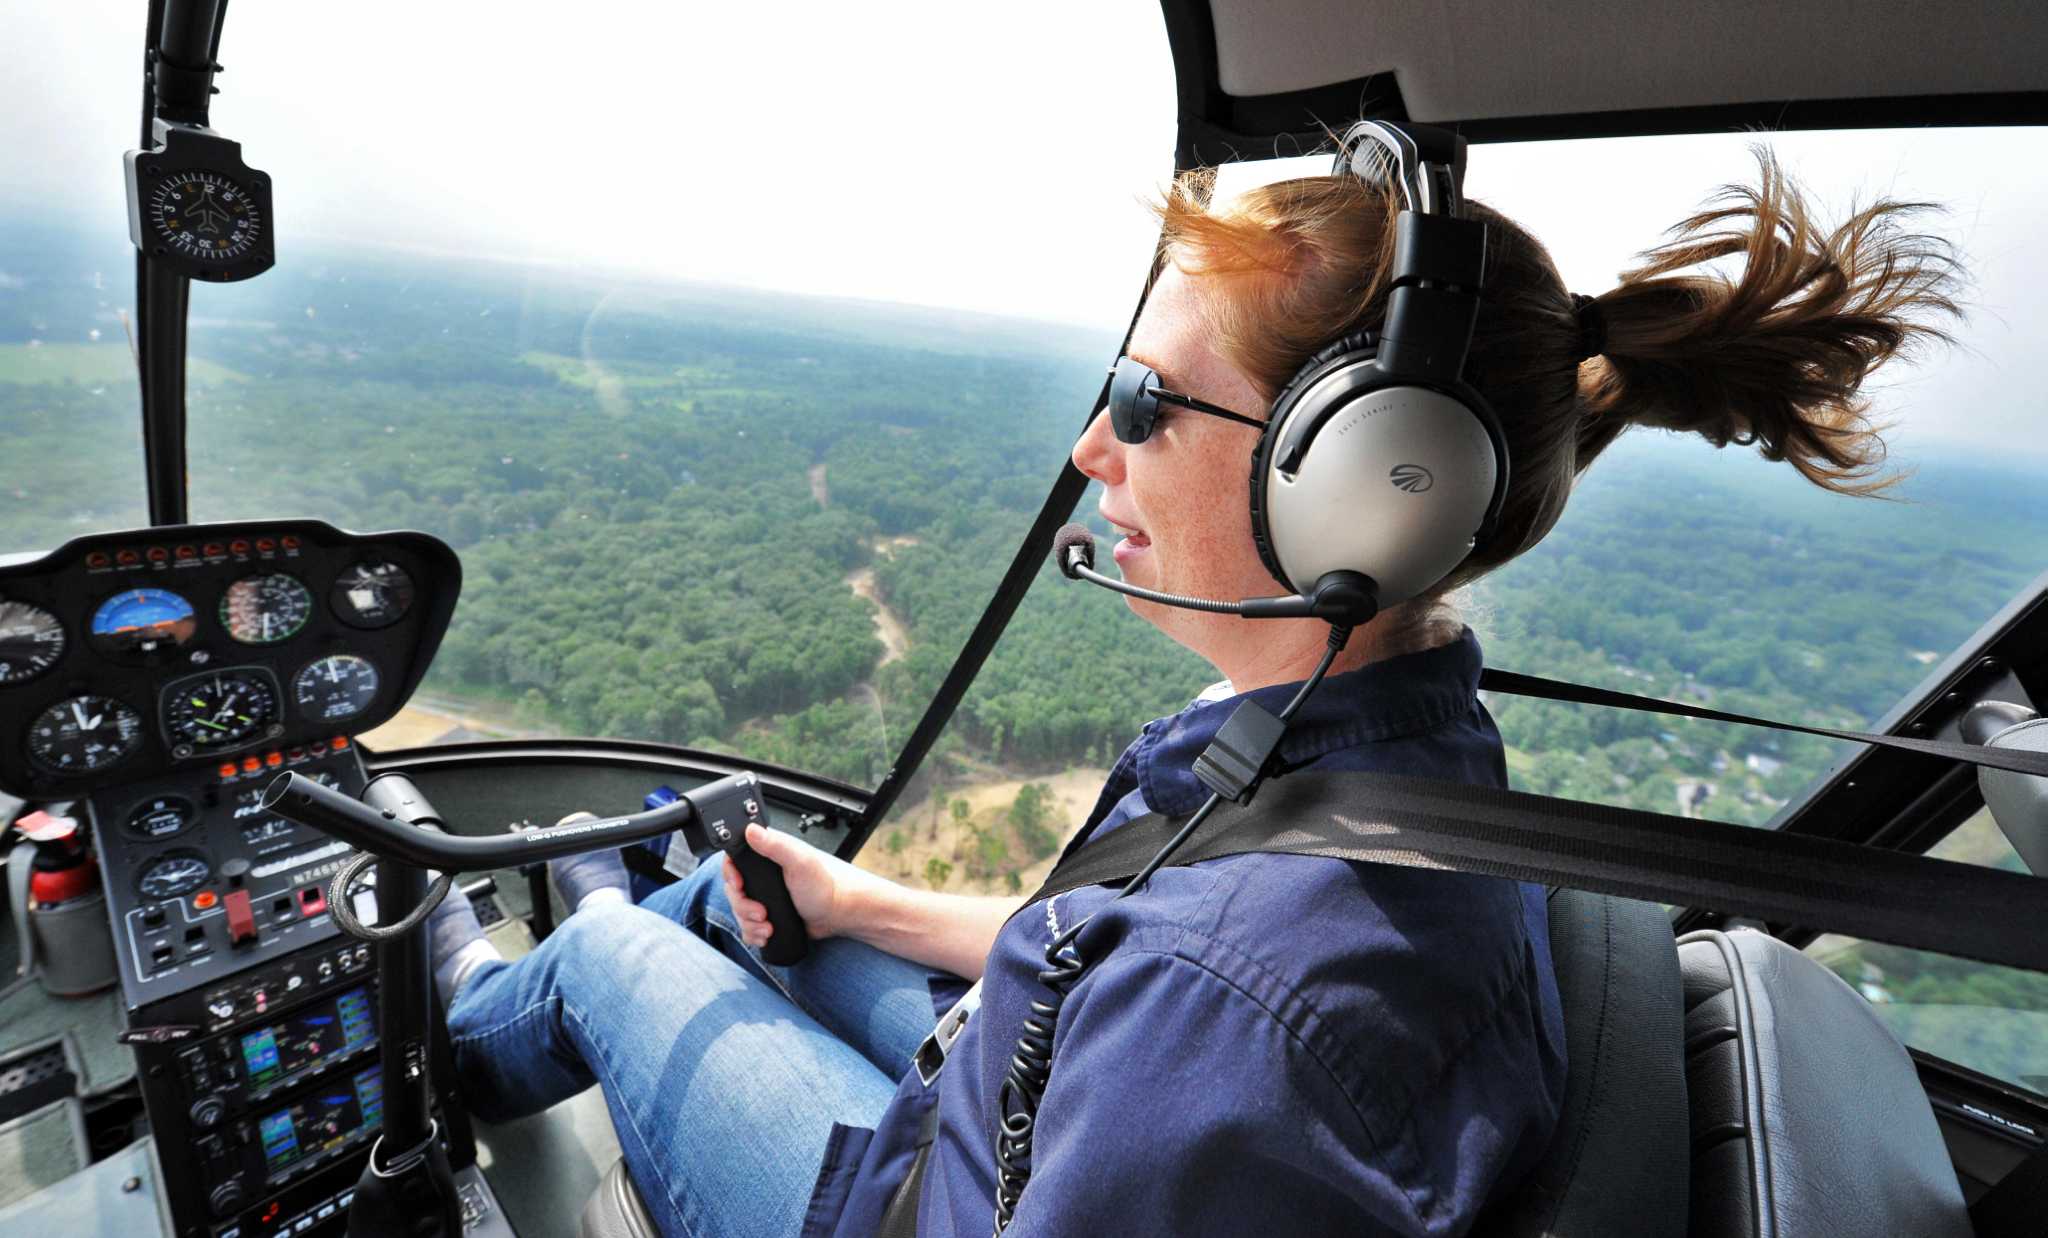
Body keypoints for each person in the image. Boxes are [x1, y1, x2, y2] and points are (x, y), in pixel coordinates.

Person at [426, 148, 1960, 1237]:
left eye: (1149, 402)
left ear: (1366, 486)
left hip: (924, 1195)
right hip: (1025, 1103)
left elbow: (1171, 1007)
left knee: (610, 955)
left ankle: (471, 979)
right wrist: (859, 902)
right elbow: (1099, 966)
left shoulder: (1233, 1011)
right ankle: (627, 880)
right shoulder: (1401, 760)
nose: (1093, 445)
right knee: (742, 901)